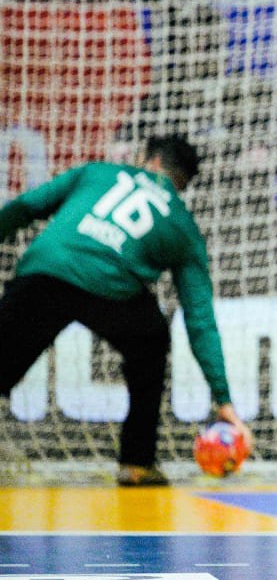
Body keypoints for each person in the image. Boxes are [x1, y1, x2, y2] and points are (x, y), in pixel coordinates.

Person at [0, 135, 254, 487]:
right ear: (182, 182)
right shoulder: (183, 226)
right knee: (150, 343)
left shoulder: (97, 172)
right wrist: (223, 399)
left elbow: (26, 206)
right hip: (110, 289)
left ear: (147, 158)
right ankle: (137, 463)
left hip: (47, 271)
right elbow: (200, 321)